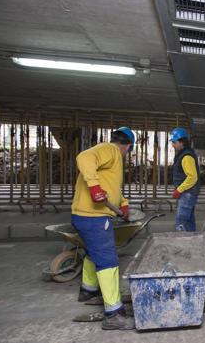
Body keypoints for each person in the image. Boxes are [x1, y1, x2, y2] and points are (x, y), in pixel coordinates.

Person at [71, 126, 135, 330]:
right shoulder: (111, 150)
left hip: (83, 216)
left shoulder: (110, 157)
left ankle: (88, 290)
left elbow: (112, 188)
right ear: (128, 146)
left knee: (92, 253)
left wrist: (123, 203)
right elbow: (84, 157)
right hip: (94, 217)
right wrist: (95, 187)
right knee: (108, 261)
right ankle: (114, 313)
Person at [169, 127, 200, 231]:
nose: (172, 145)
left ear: (181, 142)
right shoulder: (183, 154)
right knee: (189, 221)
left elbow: (192, 177)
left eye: (174, 142)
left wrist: (179, 189)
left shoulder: (186, 156)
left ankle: (182, 245)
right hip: (188, 193)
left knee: (181, 222)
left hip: (187, 193)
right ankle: (193, 240)